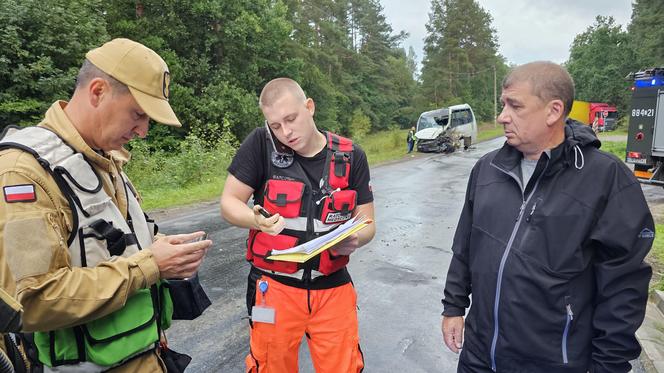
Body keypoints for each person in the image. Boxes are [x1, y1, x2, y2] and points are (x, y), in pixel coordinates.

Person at [0, 38, 211, 372]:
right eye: (138, 114)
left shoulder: (106, 159)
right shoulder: (24, 173)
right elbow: (32, 301)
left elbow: (110, 248)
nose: (143, 131)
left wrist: (158, 249)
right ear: (97, 92)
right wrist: (150, 266)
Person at [441, 61, 653, 372]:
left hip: (554, 362)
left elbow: (624, 287)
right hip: (479, 357)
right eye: (503, 105)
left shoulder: (605, 179)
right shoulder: (487, 169)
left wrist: (609, 365)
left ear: (553, 111)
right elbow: (465, 246)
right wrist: (453, 306)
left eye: (515, 106)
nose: (502, 117)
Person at [220, 77, 376, 372]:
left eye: (290, 119)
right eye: (275, 126)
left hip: (332, 289)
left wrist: (356, 239)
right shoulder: (260, 145)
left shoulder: (352, 156)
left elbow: (367, 223)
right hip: (274, 290)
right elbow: (229, 203)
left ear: (309, 107)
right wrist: (254, 219)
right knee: (269, 365)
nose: (285, 132)